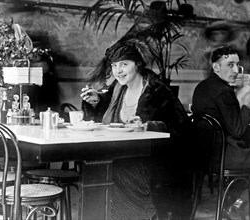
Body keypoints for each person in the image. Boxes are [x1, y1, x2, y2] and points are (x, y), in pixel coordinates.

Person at [80, 40, 193, 220]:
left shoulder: (157, 91)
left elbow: (183, 129)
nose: (118, 71)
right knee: (95, 169)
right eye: (114, 65)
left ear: (138, 64)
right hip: (123, 154)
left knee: (105, 171)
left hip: (155, 161)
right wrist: (96, 101)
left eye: (124, 64)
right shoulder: (117, 89)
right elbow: (105, 119)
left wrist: (149, 126)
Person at [192, 46, 250, 219]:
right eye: (230, 65)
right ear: (216, 67)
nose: (236, 70)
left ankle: (231, 200)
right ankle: (238, 204)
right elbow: (237, 130)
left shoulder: (202, 87)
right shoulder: (224, 91)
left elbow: (225, 118)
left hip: (203, 156)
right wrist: (248, 106)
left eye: (238, 65)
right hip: (223, 156)